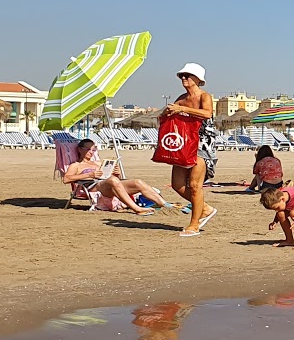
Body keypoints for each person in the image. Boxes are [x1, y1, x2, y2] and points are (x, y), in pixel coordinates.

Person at [161, 63, 217, 236]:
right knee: (178, 185)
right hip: (184, 145)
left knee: (194, 185)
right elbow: (168, 115)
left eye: (187, 75)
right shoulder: (181, 98)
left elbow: (207, 114)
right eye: (181, 76)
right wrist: (167, 112)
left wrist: (182, 109)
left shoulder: (204, 96)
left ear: (198, 79)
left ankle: (194, 224)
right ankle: (205, 208)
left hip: (202, 144)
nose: (184, 78)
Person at [62, 138, 171, 214]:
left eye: (93, 150)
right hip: (94, 187)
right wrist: (89, 174)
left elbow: (113, 179)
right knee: (113, 180)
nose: (91, 152)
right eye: (88, 149)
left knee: (137, 182)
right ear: (80, 149)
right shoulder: (76, 165)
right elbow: (66, 179)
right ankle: (136, 208)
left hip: (109, 183)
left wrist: (116, 172)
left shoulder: (99, 162)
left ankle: (165, 204)